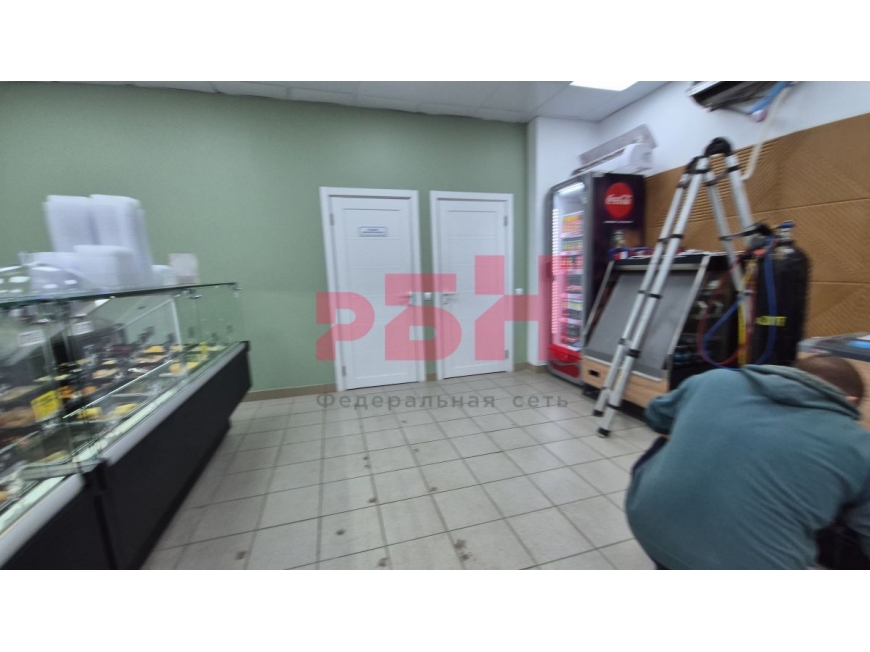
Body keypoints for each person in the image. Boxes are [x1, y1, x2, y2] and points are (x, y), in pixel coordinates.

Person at [625, 355, 870, 570]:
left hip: (646, 524)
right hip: (752, 565)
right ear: (849, 401)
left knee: (666, 446)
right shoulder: (858, 444)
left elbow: (656, 415)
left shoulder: (713, 379)